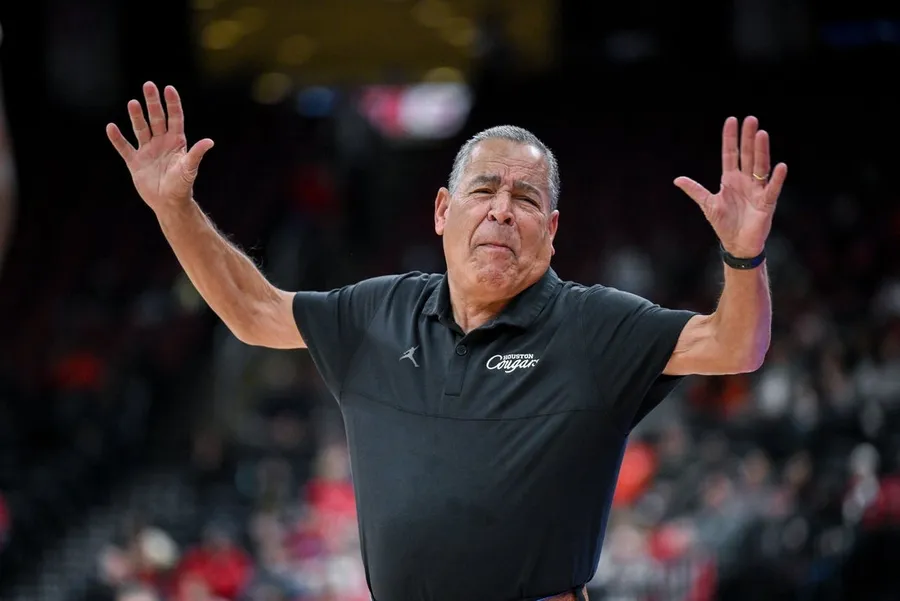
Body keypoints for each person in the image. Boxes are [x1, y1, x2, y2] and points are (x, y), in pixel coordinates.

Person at [107, 82, 788, 601]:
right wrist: (175, 209)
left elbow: (737, 346)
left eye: (526, 199)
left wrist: (743, 256)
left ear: (551, 229)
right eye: (484, 189)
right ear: (442, 210)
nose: (501, 210)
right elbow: (254, 311)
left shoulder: (596, 325)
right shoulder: (377, 312)